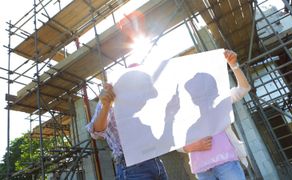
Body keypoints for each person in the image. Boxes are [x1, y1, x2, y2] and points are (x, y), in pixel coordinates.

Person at [86, 65, 173, 180]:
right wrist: (106, 106)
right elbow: (96, 132)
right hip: (132, 167)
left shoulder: (146, 104)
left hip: (156, 161)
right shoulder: (112, 98)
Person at [180, 49, 251, 180]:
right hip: (202, 170)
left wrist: (233, 65)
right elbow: (175, 142)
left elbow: (243, 89)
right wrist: (190, 147)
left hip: (227, 164)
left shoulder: (220, 103)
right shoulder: (183, 113)